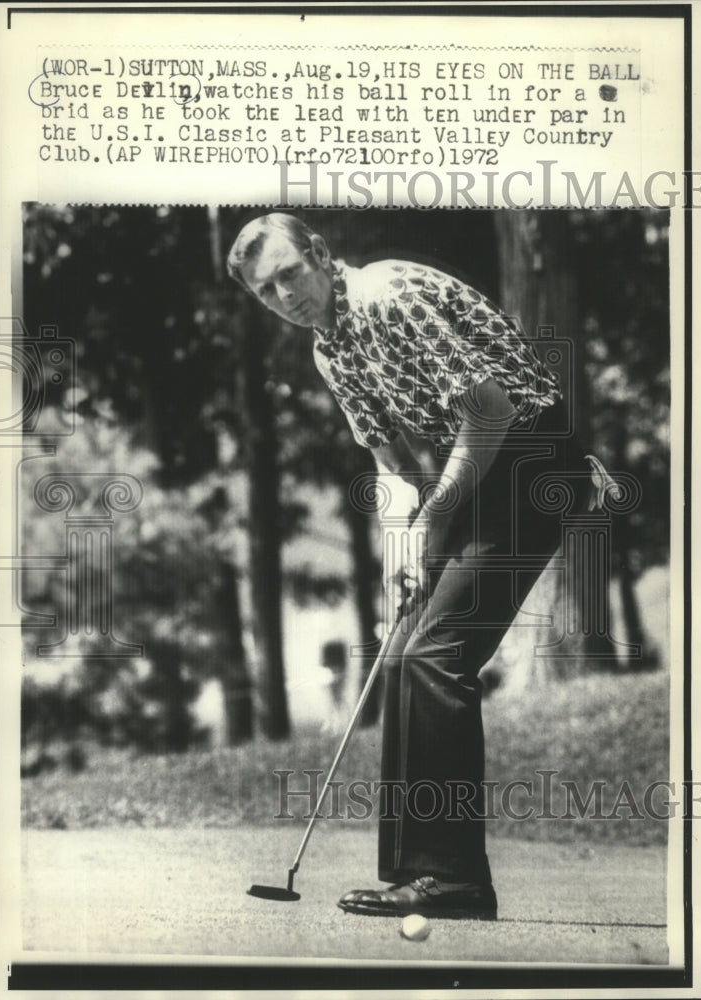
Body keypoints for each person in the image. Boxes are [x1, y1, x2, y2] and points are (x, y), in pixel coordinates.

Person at [227, 213, 592, 920]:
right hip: (481, 482)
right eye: (266, 292)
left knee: (435, 658)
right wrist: (405, 546)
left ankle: (452, 878)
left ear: (323, 256)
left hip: (533, 465)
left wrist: (435, 517)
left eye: (290, 275)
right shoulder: (329, 349)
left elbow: (488, 412)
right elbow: (391, 461)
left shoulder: (386, 296)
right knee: (400, 660)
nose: (285, 297)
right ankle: (417, 872)